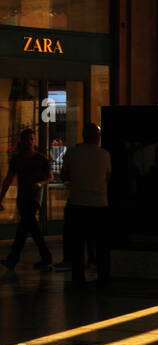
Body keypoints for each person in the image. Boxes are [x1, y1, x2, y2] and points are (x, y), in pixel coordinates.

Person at [62, 122, 112, 289]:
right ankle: (103, 276)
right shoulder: (104, 155)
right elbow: (108, 178)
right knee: (101, 244)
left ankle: (78, 278)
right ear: (97, 137)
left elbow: (64, 175)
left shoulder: (72, 153)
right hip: (99, 204)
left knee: (77, 244)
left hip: (76, 203)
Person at [0, 128, 54, 274]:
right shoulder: (17, 160)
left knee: (24, 227)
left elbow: (50, 177)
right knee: (30, 229)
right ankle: (45, 256)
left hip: (34, 198)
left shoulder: (40, 159)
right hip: (23, 198)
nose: (29, 142)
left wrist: (40, 184)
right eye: (27, 139)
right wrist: (1, 196)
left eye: (31, 139)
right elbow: (8, 179)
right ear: (22, 141)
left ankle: (13, 258)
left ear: (34, 141)